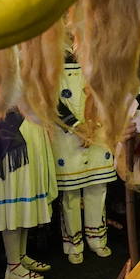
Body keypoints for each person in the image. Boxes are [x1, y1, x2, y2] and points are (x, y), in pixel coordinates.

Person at [52, 47, 115, 264]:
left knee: (97, 186)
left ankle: (97, 239)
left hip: (96, 126)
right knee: (70, 192)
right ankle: (74, 243)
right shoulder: (51, 51)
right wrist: (76, 126)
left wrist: (91, 123)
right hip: (66, 132)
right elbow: (49, 97)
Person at [0, 108, 56, 279]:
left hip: (31, 130)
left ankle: (20, 256)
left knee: (25, 196)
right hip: (11, 135)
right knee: (14, 197)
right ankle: (13, 266)